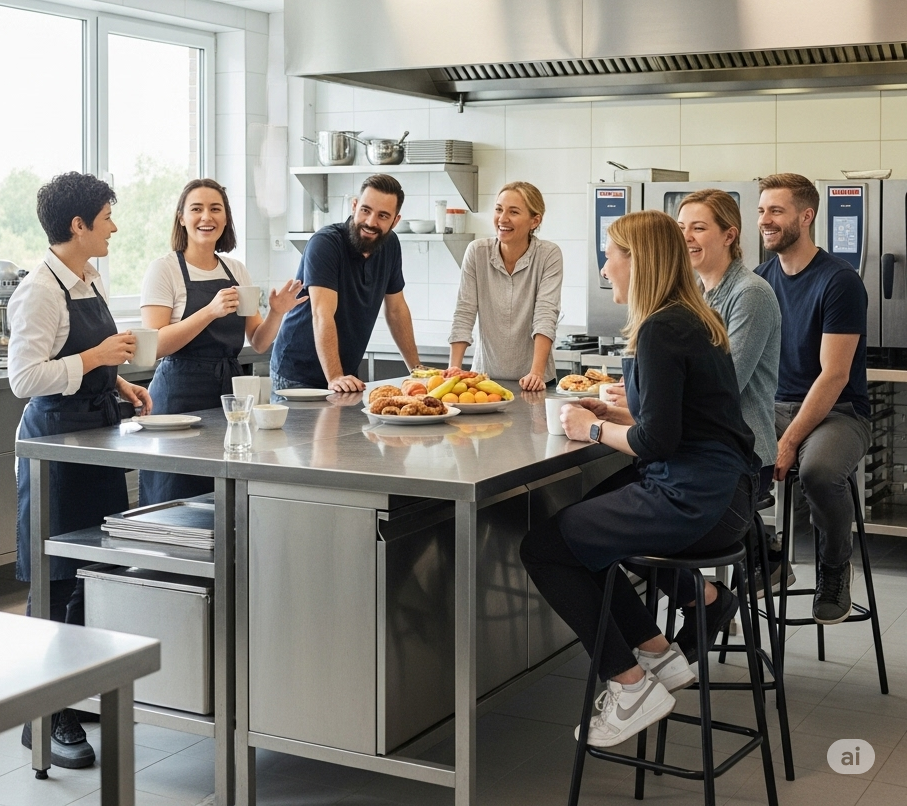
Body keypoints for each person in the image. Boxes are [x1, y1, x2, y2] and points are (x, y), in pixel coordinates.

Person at [519, 210, 757, 749]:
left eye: (611, 257)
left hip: (693, 499)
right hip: (725, 494)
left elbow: (658, 443)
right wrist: (619, 418)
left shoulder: (659, 329)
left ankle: (629, 688)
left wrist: (592, 428)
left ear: (639, 261)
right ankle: (656, 653)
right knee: (585, 536)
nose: (605, 270)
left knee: (545, 549)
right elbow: (683, 421)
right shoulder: (690, 318)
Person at [8, 172, 152, 769]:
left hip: (94, 439)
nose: (114, 227)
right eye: (107, 217)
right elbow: (25, 379)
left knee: (94, 570)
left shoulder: (88, 278)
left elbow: (82, 359)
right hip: (56, 448)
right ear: (78, 224)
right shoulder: (39, 290)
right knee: (58, 578)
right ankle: (43, 718)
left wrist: (117, 382)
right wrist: (96, 357)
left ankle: (69, 691)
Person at [138, 179, 307, 505]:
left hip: (228, 398)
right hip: (178, 396)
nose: (207, 217)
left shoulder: (236, 270)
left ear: (226, 218)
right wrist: (210, 311)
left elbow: (258, 342)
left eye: (215, 209)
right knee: (174, 495)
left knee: (222, 496)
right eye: (196, 209)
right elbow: (155, 345)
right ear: (181, 217)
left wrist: (277, 312)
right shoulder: (164, 270)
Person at [755, 173, 871, 625]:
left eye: (776, 210)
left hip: (839, 412)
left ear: (806, 216)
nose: (765, 220)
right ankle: (766, 557)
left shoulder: (838, 281)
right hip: (773, 406)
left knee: (818, 472)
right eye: (762, 210)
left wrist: (788, 442)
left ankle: (835, 569)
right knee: (718, 454)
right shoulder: (760, 280)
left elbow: (834, 375)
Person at [677, 189, 784, 591]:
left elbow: (725, 384)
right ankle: (708, 597)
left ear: (729, 235)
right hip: (706, 446)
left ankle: (711, 597)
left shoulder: (750, 294)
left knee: (640, 516)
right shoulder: (696, 291)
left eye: (698, 228)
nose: (686, 237)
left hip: (745, 455)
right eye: (681, 228)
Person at [271, 174, 423, 392]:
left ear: (395, 221)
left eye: (382, 216)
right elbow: (322, 314)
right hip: (298, 373)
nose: (371, 222)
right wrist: (335, 376)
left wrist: (417, 372)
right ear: (354, 206)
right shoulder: (325, 244)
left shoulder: (390, 246)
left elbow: (396, 310)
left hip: (344, 374)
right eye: (365, 210)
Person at [448, 182, 562, 390]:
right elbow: (464, 311)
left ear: (535, 221)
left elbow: (546, 314)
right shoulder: (477, 252)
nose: (502, 218)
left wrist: (536, 374)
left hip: (535, 381)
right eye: (499, 209)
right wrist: (454, 368)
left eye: (514, 212)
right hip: (483, 381)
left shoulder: (548, 255)